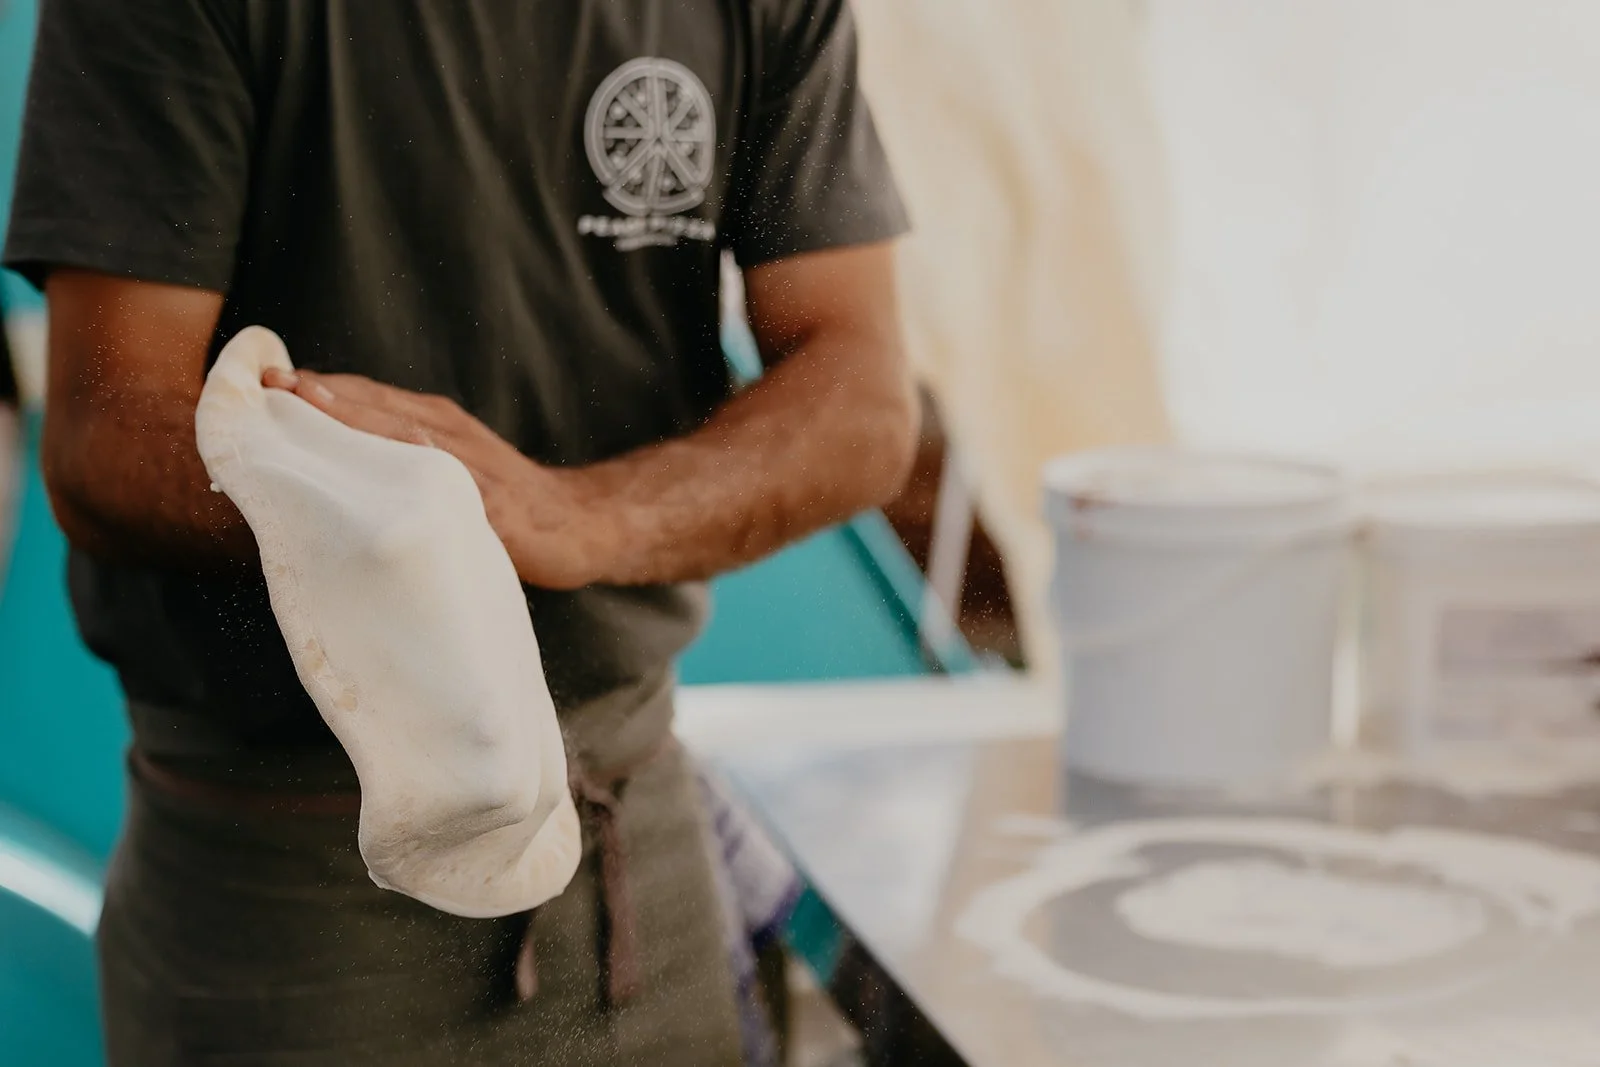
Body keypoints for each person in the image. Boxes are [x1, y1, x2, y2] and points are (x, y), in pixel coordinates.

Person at [3, 1, 915, 1063]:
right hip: (290, 885)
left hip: (631, 837)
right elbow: (104, 435)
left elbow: (863, 396)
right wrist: (380, 510)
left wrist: (577, 515)